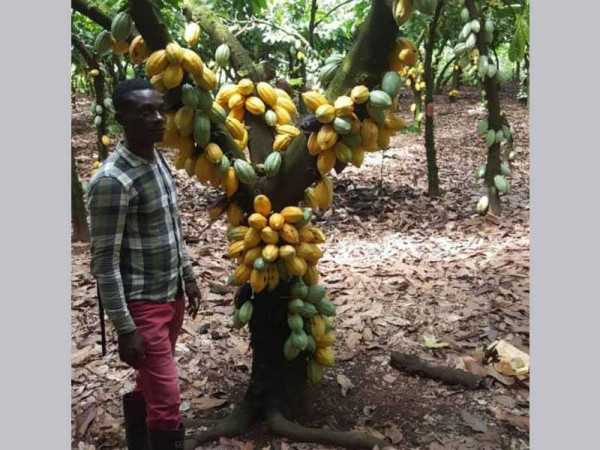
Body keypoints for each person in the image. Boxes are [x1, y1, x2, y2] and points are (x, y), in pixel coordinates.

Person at [88, 78, 201, 450]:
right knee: (168, 399)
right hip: (143, 305)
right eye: (145, 112)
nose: (157, 118)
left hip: (170, 294)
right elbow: (103, 263)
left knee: (150, 383)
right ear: (122, 119)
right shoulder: (112, 180)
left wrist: (188, 277)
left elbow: (172, 228)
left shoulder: (157, 160)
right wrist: (125, 328)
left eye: (159, 109)